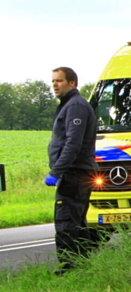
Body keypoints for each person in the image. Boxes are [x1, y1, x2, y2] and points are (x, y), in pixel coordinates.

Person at [47, 66, 98, 274]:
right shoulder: (69, 105)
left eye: (59, 81)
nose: (55, 85)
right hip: (76, 173)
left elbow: (72, 143)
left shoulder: (75, 106)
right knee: (78, 223)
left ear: (72, 83)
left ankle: (68, 268)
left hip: (74, 173)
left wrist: (57, 171)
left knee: (66, 221)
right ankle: (85, 266)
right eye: (53, 81)